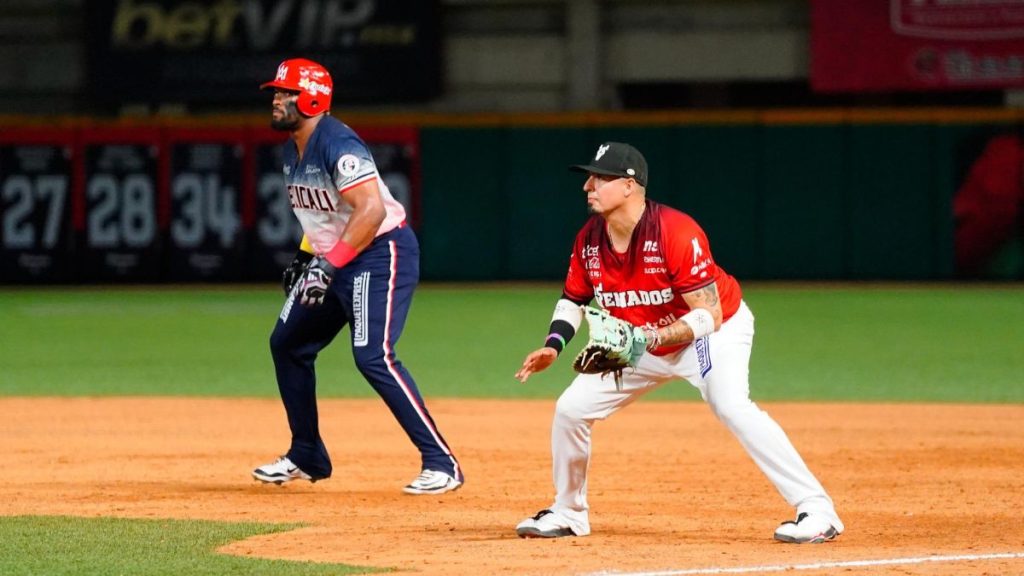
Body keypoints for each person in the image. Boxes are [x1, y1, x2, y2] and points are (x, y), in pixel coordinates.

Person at [513, 142, 843, 542]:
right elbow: (574, 299)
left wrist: (649, 337)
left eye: (600, 178)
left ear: (630, 185)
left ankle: (817, 510)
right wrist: (554, 344)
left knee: (731, 405)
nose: (588, 186)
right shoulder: (589, 239)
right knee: (571, 409)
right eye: (589, 178)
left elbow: (709, 315)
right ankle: (568, 513)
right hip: (640, 341)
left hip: (711, 333)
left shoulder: (675, 231)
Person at [251, 58, 463, 495]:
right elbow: (324, 216)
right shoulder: (293, 148)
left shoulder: (338, 144)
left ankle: (441, 463)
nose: (276, 99)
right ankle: (306, 454)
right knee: (287, 343)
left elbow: (371, 210)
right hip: (335, 258)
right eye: (276, 92)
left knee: (373, 356)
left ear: (312, 99)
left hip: (379, 253)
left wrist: (327, 266)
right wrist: (305, 257)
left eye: (285, 92)